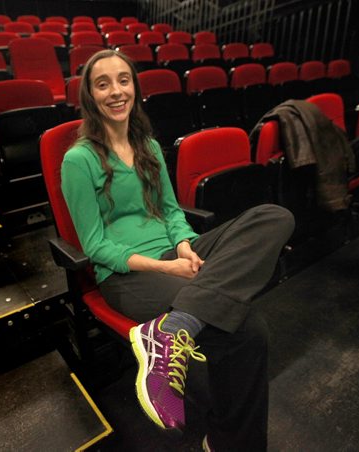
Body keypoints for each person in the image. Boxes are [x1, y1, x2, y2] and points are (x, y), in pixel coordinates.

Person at [61, 49, 295, 451]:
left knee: (274, 216)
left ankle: (175, 327)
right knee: (247, 329)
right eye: (103, 84)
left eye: (123, 80)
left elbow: (171, 213)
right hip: (127, 274)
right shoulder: (77, 160)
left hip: (173, 255)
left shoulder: (148, 145)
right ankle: (231, 442)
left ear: (134, 86)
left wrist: (184, 248)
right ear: (90, 97)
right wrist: (166, 269)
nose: (116, 91)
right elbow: (96, 245)